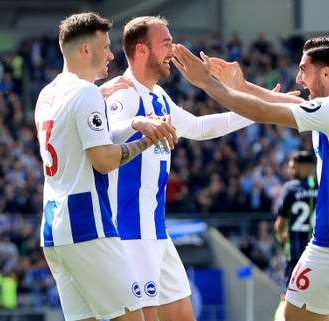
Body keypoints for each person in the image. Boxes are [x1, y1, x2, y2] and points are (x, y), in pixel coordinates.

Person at [172, 35, 329, 321]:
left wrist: (206, 83)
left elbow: (263, 112)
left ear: (326, 72)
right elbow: (287, 103)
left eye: (304, 69)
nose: (299, 78)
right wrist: (240, 86)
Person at [105, 16, 253, 321]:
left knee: (183, 315)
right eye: (166, 43)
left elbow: (199, 127)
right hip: (131, 231)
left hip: (156, 230)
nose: (173, 50)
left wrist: (260, 112)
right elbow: (104, 134)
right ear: (142, 50)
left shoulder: (158, 96)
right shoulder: (122, 92)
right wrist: (135, 122)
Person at [34, 12, 176, 321]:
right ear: (85, 50)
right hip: (88, 226)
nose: (111, 55)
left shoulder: (47, 95)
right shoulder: (86, 93)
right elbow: (104, 160)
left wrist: (131, 123)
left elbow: (83, 140)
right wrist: (145, 141)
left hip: (54, 229)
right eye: (105, 47)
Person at [274, 150, 318, 321]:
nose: (289, 171)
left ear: (306, 168)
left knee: (288, 293)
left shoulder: (290, 188)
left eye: (293, 168)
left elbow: (280, 223)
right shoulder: (323, 187)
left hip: (295, 250)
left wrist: (280, 235)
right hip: (319, 252)